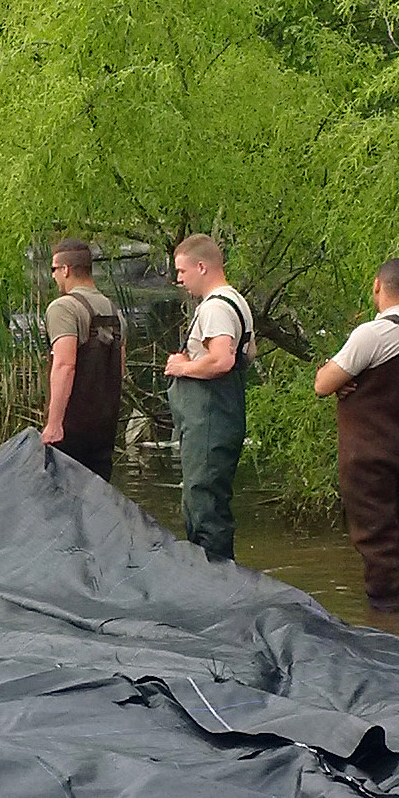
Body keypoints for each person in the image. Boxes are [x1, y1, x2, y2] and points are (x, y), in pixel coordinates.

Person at [314, 258, 399, 612]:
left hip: (367, 452)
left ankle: (388, 617)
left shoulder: (374, 332)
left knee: (375, 539)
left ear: (377, 286)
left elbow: (323, 384)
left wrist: (343, 377)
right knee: (397, 532)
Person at [165, 234, 254, 561]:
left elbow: (222, 361)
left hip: (210, 419)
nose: (179, 279)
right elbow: (248, 355)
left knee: (203, 504)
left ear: (201, 266)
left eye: (182, 271)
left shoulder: (215, 307)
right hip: (223, 414)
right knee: (208, 498)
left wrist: (182, 367)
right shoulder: (236, 302)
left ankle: (213, 581)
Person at [39, 241, 125, 481]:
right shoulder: (114, 310)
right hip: (103, 429)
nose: (54, 276)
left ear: (65, 269)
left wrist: (54, 424)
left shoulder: (63, 307)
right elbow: (119, 369)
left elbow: (65, 365)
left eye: (54, 270)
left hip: (71, 430)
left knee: (62, 502)